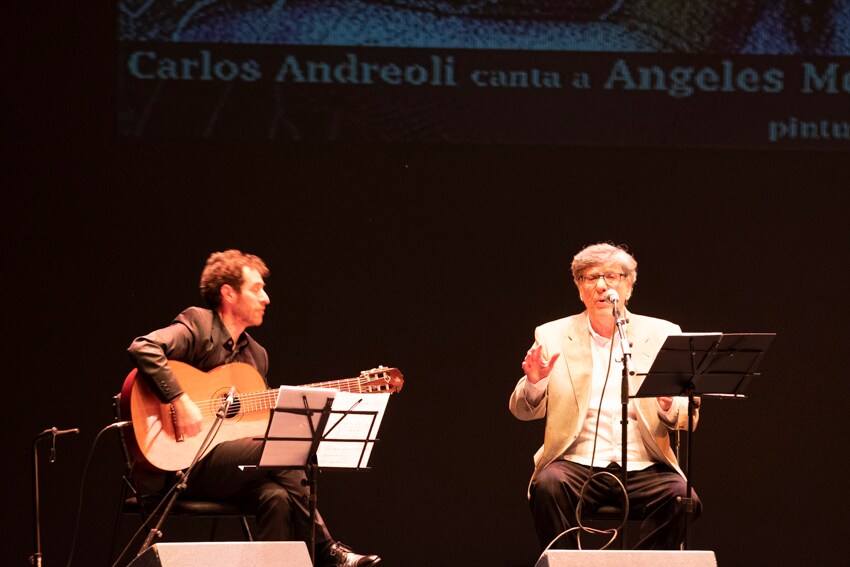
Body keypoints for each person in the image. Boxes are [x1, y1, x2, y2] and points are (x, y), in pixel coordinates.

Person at [127, 250, 381, 567]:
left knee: (276, 496)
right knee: (288, 450)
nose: (266, 298)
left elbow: (252, 426)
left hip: (231, 471)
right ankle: (326, 548)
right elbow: (144, 347)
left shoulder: (256, 356)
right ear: (228, 293)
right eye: (256, 288)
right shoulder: (198, 325)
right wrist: (179, 399)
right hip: (182, 463)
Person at [509, 242, 701, 551]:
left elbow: (689, 416)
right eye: (590, 277)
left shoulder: (663, 333)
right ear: (579, 288)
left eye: (612, 276)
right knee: (547, 486)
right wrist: (536, 383)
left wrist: (668, 402)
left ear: (628, 286)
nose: (601, 285)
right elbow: (521, 409)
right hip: (576, 462)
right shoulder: (552, 334)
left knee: (683, 497)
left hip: (644, 464)